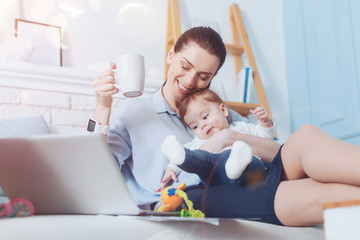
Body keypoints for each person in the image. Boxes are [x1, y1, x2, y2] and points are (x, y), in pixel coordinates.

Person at [93, 26, 360, 227]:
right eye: (185, 66)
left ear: (213, 77)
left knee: (305, 136)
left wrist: (227, 137)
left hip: (253, 172)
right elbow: (93, 176)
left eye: (203, 76)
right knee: (306, 190)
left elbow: (277, 151)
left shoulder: (217, 109)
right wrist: (102, 107)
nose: (189, 80)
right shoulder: (134, 112)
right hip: (195, 195)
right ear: (170, 55)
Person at [161, 89, 275, 186]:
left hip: (251, 174)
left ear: (223, 110)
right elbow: (185, 152)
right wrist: (172, 168)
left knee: (252, 162)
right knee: (199, 159)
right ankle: (233, 166)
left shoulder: (241, 127)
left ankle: (237, 163)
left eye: (205, 117)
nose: (202, 125)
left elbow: (265, 138)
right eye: (195, 126)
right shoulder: (199, 142)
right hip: (217, 178)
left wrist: (265, 122)